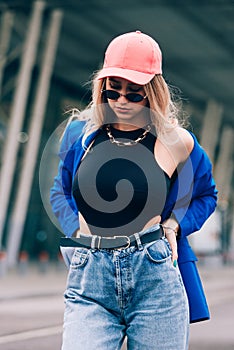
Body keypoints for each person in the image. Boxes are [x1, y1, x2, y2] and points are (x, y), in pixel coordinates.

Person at [50, 31, 217, 350]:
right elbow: (60, 191)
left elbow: (206, 195)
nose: (122, 101)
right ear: (103, 88)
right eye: (114, 91)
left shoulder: (177, 142)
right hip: (91, 279)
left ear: (153, 91)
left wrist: (174, 224)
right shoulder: (79, 135)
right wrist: (75, 234)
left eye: (134, 92)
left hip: (153, 275)